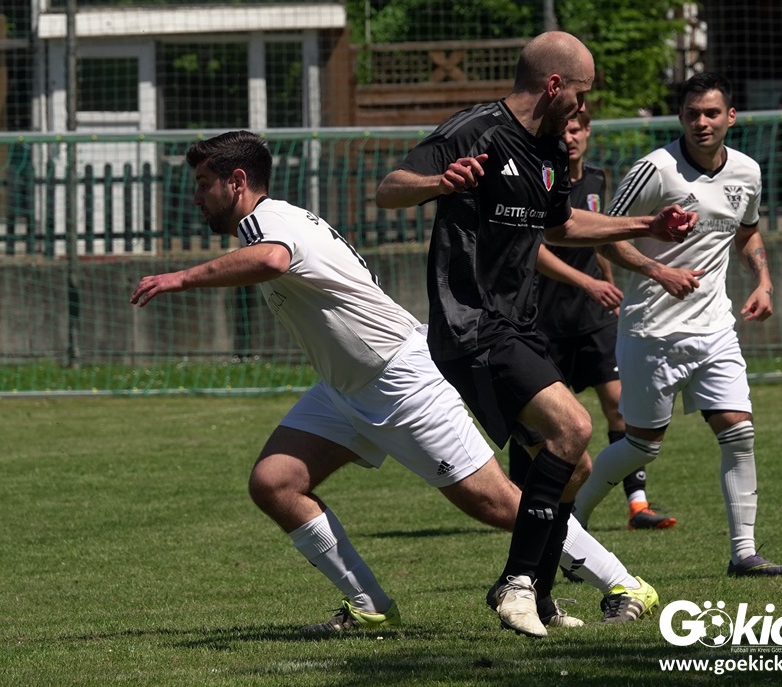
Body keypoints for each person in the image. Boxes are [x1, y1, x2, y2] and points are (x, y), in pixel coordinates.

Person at [131, 130, 662, 639]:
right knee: (275, 483)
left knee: (497, 503)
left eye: (204, 183)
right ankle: (370, 606)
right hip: (345, 388)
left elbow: (272, 259)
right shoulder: (277, 218)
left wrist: (180, 277)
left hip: (399, 379)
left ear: (237, 182)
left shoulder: (265, 222)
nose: (196, 197)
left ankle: (625, 585)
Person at [375, 31, 697, 636]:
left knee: (573, 467)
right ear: (554, 85)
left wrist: (645, 225)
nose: (582, 109)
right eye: (580, 94)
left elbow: (561, 225)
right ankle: (516, 582)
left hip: (519, 326)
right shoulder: (476, 130)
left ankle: (540, 597)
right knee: (573, 427)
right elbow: (388, 188)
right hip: (471, 325)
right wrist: (440, 182)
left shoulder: (548, 149)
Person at [572, 72, 782, 577]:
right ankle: (573, 524)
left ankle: (744, 553)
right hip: (652, 331)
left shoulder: (747, 171)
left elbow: (747, 231)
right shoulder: (655, 170)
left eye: (712, 113)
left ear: (730, 117)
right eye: (693, 114)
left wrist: (763, 281)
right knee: (641, 446)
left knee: (739, 432)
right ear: (681, 118)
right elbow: (606, 236)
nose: (702, 122)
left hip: (715, 328)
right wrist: (658, 270)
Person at [511, 108, 678, 532]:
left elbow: (601, 241)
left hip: (593, 315)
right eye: (563, 130)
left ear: (587, 132)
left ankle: (638, 504)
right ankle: (522, 500)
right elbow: (536, 247)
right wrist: (588, 283)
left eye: (577, 129)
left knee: (619, 406)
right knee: (541, 418)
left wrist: (609, 286)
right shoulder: (541, 180)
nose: (570, 137)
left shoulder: (598, 180)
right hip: (544, 317)